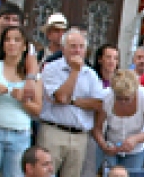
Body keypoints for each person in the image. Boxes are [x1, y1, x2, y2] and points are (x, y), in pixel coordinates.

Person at [0, 26, 44, 177]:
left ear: (24, 46)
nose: (11, 43)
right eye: (7, 39)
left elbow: (38, 110)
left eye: (17, 40)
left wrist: (22, 100)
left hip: (20, 134)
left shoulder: (33, 76)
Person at [40, 29, 104, 177]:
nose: (77, 50)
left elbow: (98, 104)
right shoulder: (51, 69)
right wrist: (75, 71)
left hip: (79, 136)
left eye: (81, 47)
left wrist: (73, 101)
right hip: (53, 131)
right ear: (63, 48)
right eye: (73, 46)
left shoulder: (91, 74)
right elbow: (61, 97)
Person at [94, 70, 144, 174]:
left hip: (136, 149)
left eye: (127, 99)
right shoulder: (107, 97)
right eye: (119, 98)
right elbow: (97, 128)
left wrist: (136, 139)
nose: (123, 102)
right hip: (111, 145)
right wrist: (103, 145)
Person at [84, 43, 122, 175]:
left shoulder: (121, 82)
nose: (112, 61)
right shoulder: (90, 78)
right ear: (100, 59)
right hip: (91, 132)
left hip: (113, 135)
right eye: (108, 57)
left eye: (115, 58)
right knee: (89, 170)